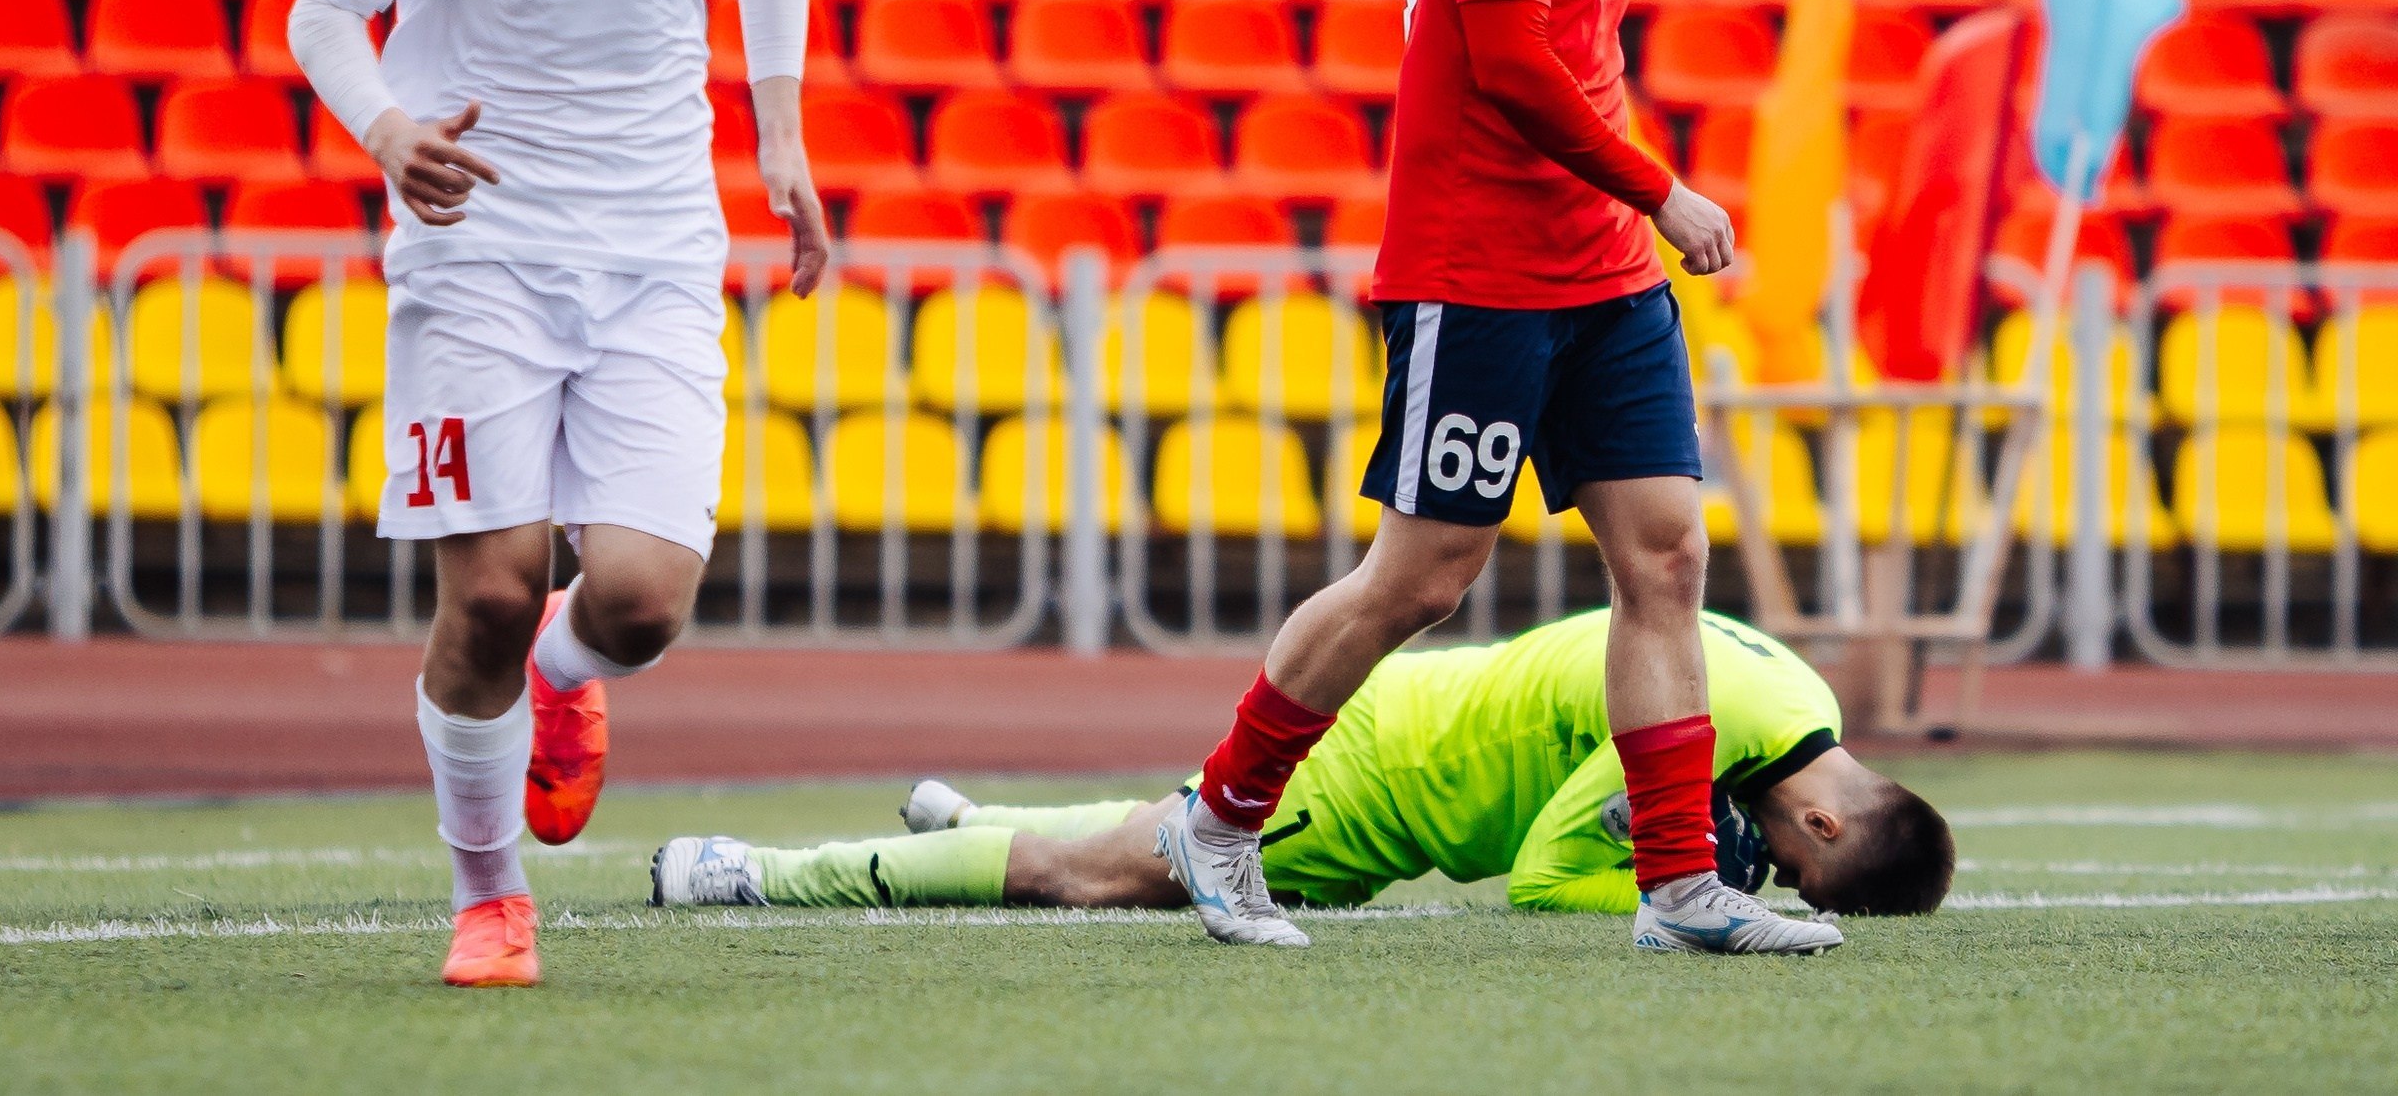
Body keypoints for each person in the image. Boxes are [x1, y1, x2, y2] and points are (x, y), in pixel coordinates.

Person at [1153, 0, 1830, 955]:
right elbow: (1515, 65)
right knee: (1422, 575)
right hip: (1483, 273)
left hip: (1603, 279)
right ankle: (1220, 817)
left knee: (1667, 557)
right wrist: (1664, 192)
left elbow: (1575, 59)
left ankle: (1678, 886)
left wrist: (1631, 222)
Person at [285, 0, 828, 989]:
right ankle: (489, 895)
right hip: (485, 254)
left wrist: (779, 132)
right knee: (495, 588)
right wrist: (390, 130)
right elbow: (320, 8)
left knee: (640, 600)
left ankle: (569, 688)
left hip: (657, 243)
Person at [648, 610, 1954, 935]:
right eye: (1800, 875)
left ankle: (970, 817)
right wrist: (1703, 901)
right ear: (1826, 820)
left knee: (1138, 841)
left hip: (1405, 732)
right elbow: (1549, 880)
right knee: (1097, 881)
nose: (1775, 875)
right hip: (1384, 775)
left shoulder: (1804, 705)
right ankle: (767, 873)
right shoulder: (1715, 733)